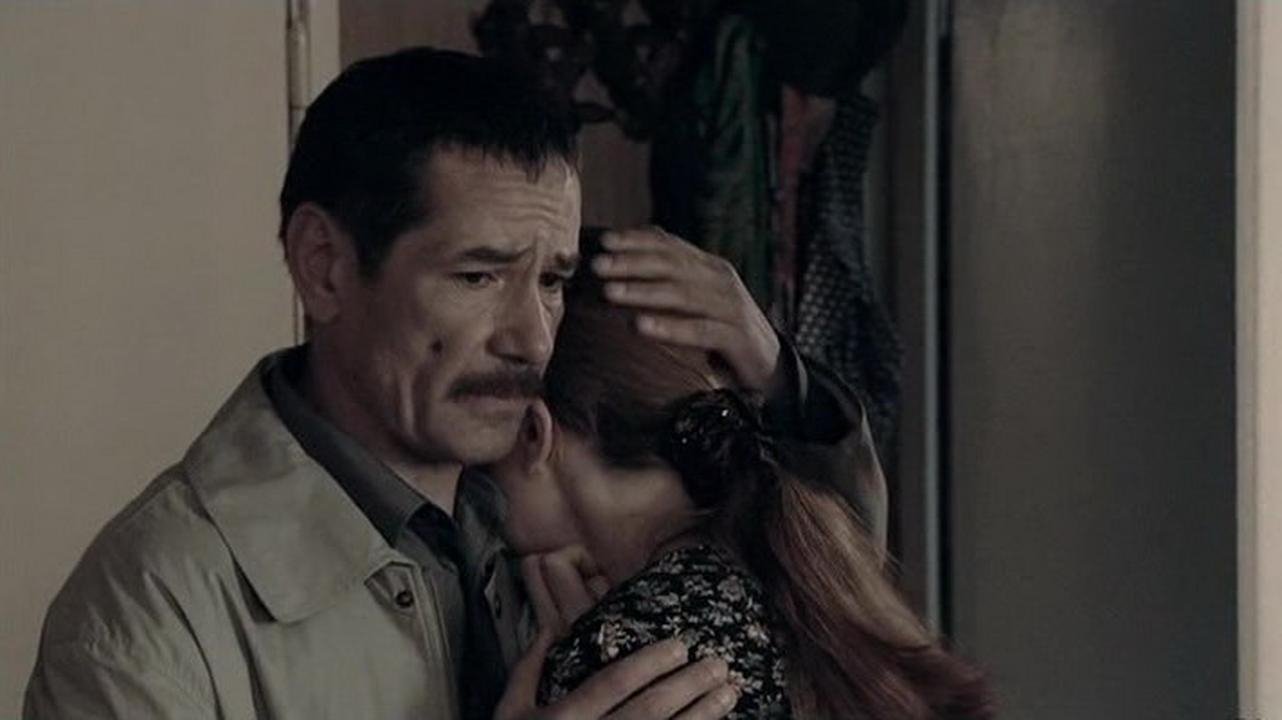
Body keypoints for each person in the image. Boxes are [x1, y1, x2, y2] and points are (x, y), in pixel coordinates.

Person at [24, 47, 885, 719]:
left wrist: (776, 373)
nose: (532, 337)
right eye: (478, 276)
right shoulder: (150, 612)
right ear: (323, 266)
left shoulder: (560, 525)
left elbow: (833, 594)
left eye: (551, 280)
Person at [487, 244, 995, 719]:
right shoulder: (805, 572)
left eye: (484, 449)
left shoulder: (622, 669)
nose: (475, 477)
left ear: (534, 432)